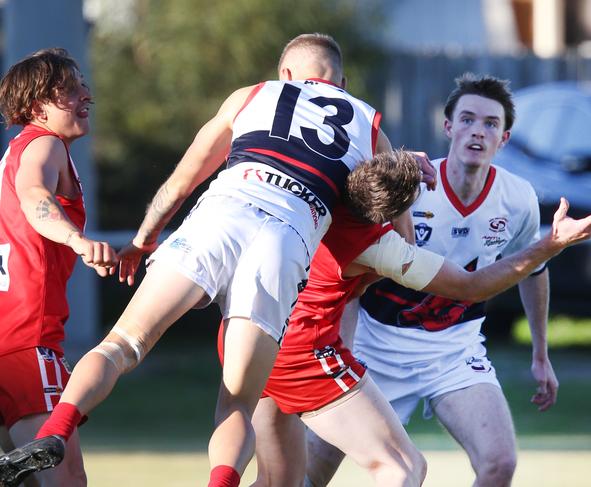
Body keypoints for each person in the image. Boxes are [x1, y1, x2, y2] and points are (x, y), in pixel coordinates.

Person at [0, 33, 435, 487]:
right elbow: (401, 243)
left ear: (284, 75)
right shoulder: (371, 126)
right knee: (238, 402)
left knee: (121, 345)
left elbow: (182, 181)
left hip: (223, 212)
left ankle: (57, 429)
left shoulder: (253, 95)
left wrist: (144, 239)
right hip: (285, 241)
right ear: (341, 82)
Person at [246, 153, 591, 487]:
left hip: (265, 336)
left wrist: (398, 163)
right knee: (403, 468)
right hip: (309, 354)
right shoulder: (377, 247)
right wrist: (551, 243)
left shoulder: (330, 207)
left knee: (277, 481)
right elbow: (472, 286)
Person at [304, 73, 567, 487]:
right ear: (448, 127)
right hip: (378, 346)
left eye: (490, 124)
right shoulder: (413, 189)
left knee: (500, 464)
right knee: (308, 472)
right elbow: (353, 269)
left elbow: (532, 269)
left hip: (454, 350)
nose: (477, 131)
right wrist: (345, 349)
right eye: (467, 119)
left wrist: (541, 353)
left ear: (506, 138)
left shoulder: (518, 199)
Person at [0, 48, 117, 487]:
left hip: (5, 338)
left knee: (28, 478)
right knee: (66, 478)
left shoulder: (13, 152)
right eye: (67, 89)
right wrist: (77, 239)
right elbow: (34, 196)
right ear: (37, 107)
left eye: (81, 84)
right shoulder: (43, 143)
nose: (85, 94)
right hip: (26, 341)